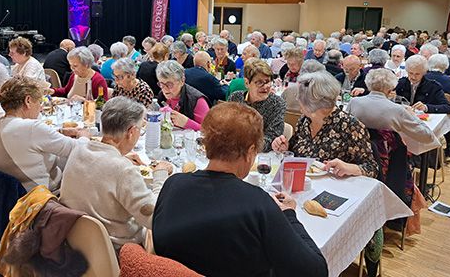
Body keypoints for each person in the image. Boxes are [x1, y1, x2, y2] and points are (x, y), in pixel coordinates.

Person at [153, 102, 328, 277]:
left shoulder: (172, 185)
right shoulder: (258, 203)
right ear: (251, 151)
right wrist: (289, 215)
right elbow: (315, 271)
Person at [60, 97, 172, 249]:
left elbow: (101, 169)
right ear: (131, 132)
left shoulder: (79, 149)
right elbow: (155, 219)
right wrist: (160, 177)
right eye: (140, 129)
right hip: (113, 249)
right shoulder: (124, 170)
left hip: (72, 238)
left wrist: (120, 157)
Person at [0, 76, 88, 192]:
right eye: (39, 102)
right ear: (28, 101)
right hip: (42, 195)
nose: (40, 108)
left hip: (7, 194)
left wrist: (60, 132)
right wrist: (84, 135)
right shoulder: (32, 128)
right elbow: (78, 149)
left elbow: (23, 140)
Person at [273, 71, 378, 178]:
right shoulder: (305, 120)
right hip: (304, 181)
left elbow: (372, 168)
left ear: (313, 105)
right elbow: (294, 150)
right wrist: (285, 148)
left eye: (300, 99)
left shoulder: (349, 125)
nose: (297, 100)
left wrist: (349, 167)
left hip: (335, 184)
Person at [348, 69, 437, 149]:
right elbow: (428, 137)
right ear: (390, 89)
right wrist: (413, 116)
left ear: (368, 85)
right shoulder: (397, 110)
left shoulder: (354, 102)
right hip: (388, 156)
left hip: (357, 150)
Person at [229, 59, 286, 152]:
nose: (266, 86)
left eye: (268, 81)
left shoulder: (277, 103)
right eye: (259, 82)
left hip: (261, 155)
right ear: (247, 83)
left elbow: (272, 138)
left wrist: (244, 145)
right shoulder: (235, 98)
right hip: (233, 151)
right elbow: (227, 128)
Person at [155, 60, 209, 131]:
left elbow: (209, 131)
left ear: (182, 81)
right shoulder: (161, 96)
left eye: (169, 84)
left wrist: (187, 123)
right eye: (161, 84)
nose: (164, 89)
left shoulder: (197, 101)